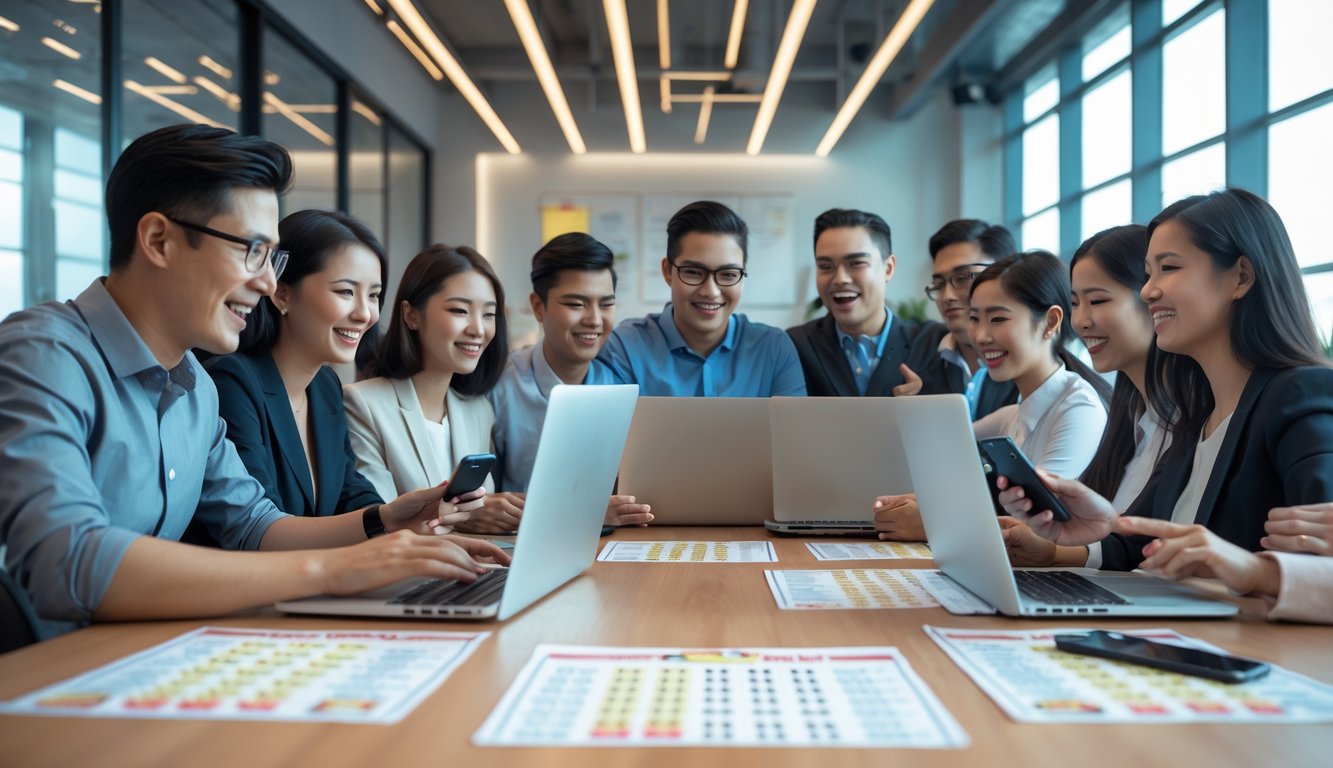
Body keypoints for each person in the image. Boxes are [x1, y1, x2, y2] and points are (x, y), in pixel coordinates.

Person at [0, 125, 506, 639]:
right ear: (158, 240)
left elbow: (253, 526)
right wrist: (332, 571)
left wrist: (384, 524)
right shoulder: (44, 354)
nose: (266, 282)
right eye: (252, 251)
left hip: (135, 655)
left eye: (272, 257)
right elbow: (67, 558)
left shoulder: (194, 384)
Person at [1004, 188, 1333, 571]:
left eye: (1170, 268)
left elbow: (1321, 560)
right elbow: (1139, 546)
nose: (1148, 291)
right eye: (1148, 273)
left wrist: (1254, 570)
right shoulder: (1197, 420)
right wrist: (1054, 550)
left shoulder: (1297, 394)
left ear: (1240, 277)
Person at [200, 211, 474, 534]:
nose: (365, 314)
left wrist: (403, 518)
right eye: (346, 292)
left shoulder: (325, 386)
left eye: (373, 295)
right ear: (282, 293)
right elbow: (260, 529)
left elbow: (350, 492)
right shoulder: (233, 382)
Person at [874, 251, 1111, 541]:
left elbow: (1041, 529)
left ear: (1050, 322)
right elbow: (941, 448)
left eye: (998, 318)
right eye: (975, 318)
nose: (982, 336)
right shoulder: (1013, 415)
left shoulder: (1078, 409)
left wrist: (932, 522)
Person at [998, 226, 1167, 568]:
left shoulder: (1180, 422)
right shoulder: (1132, 418)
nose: (1082, 321)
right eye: (1076, 303)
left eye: (1098, 301)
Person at [487, 232, 653, 527]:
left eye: (606, 304)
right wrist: (585, 513)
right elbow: (487, 506)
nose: (594, 320)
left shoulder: (623, 389)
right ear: (538, 307)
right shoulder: (500, 386)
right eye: (577, 304)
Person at [344, 244, 512, 533]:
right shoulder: (363, 403)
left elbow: (485, 511)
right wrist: (468, 517)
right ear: (411, 315)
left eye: (488, 314)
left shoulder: (479, 410)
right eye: (460, 310)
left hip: (477, 568)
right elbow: (379, 523)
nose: (478, 329)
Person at [597, 200, 806, 397]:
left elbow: (792, 433)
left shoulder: (774, 349)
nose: (711, 291)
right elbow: (609, 430)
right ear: (668, 271)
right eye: (694, 272)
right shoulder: (624, 347)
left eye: (728, 275)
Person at [786, 208, 943, 397]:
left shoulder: (933, 344)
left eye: (856, 263)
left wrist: (928, 406)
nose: (840, 279)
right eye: (825, 267)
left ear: (888, 268)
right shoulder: (795, 345)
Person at [917, 219, 1020, 418]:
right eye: (939, 284)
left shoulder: (1037, 371)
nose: (947, 296)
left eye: (963, 277)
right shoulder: (919, 360)